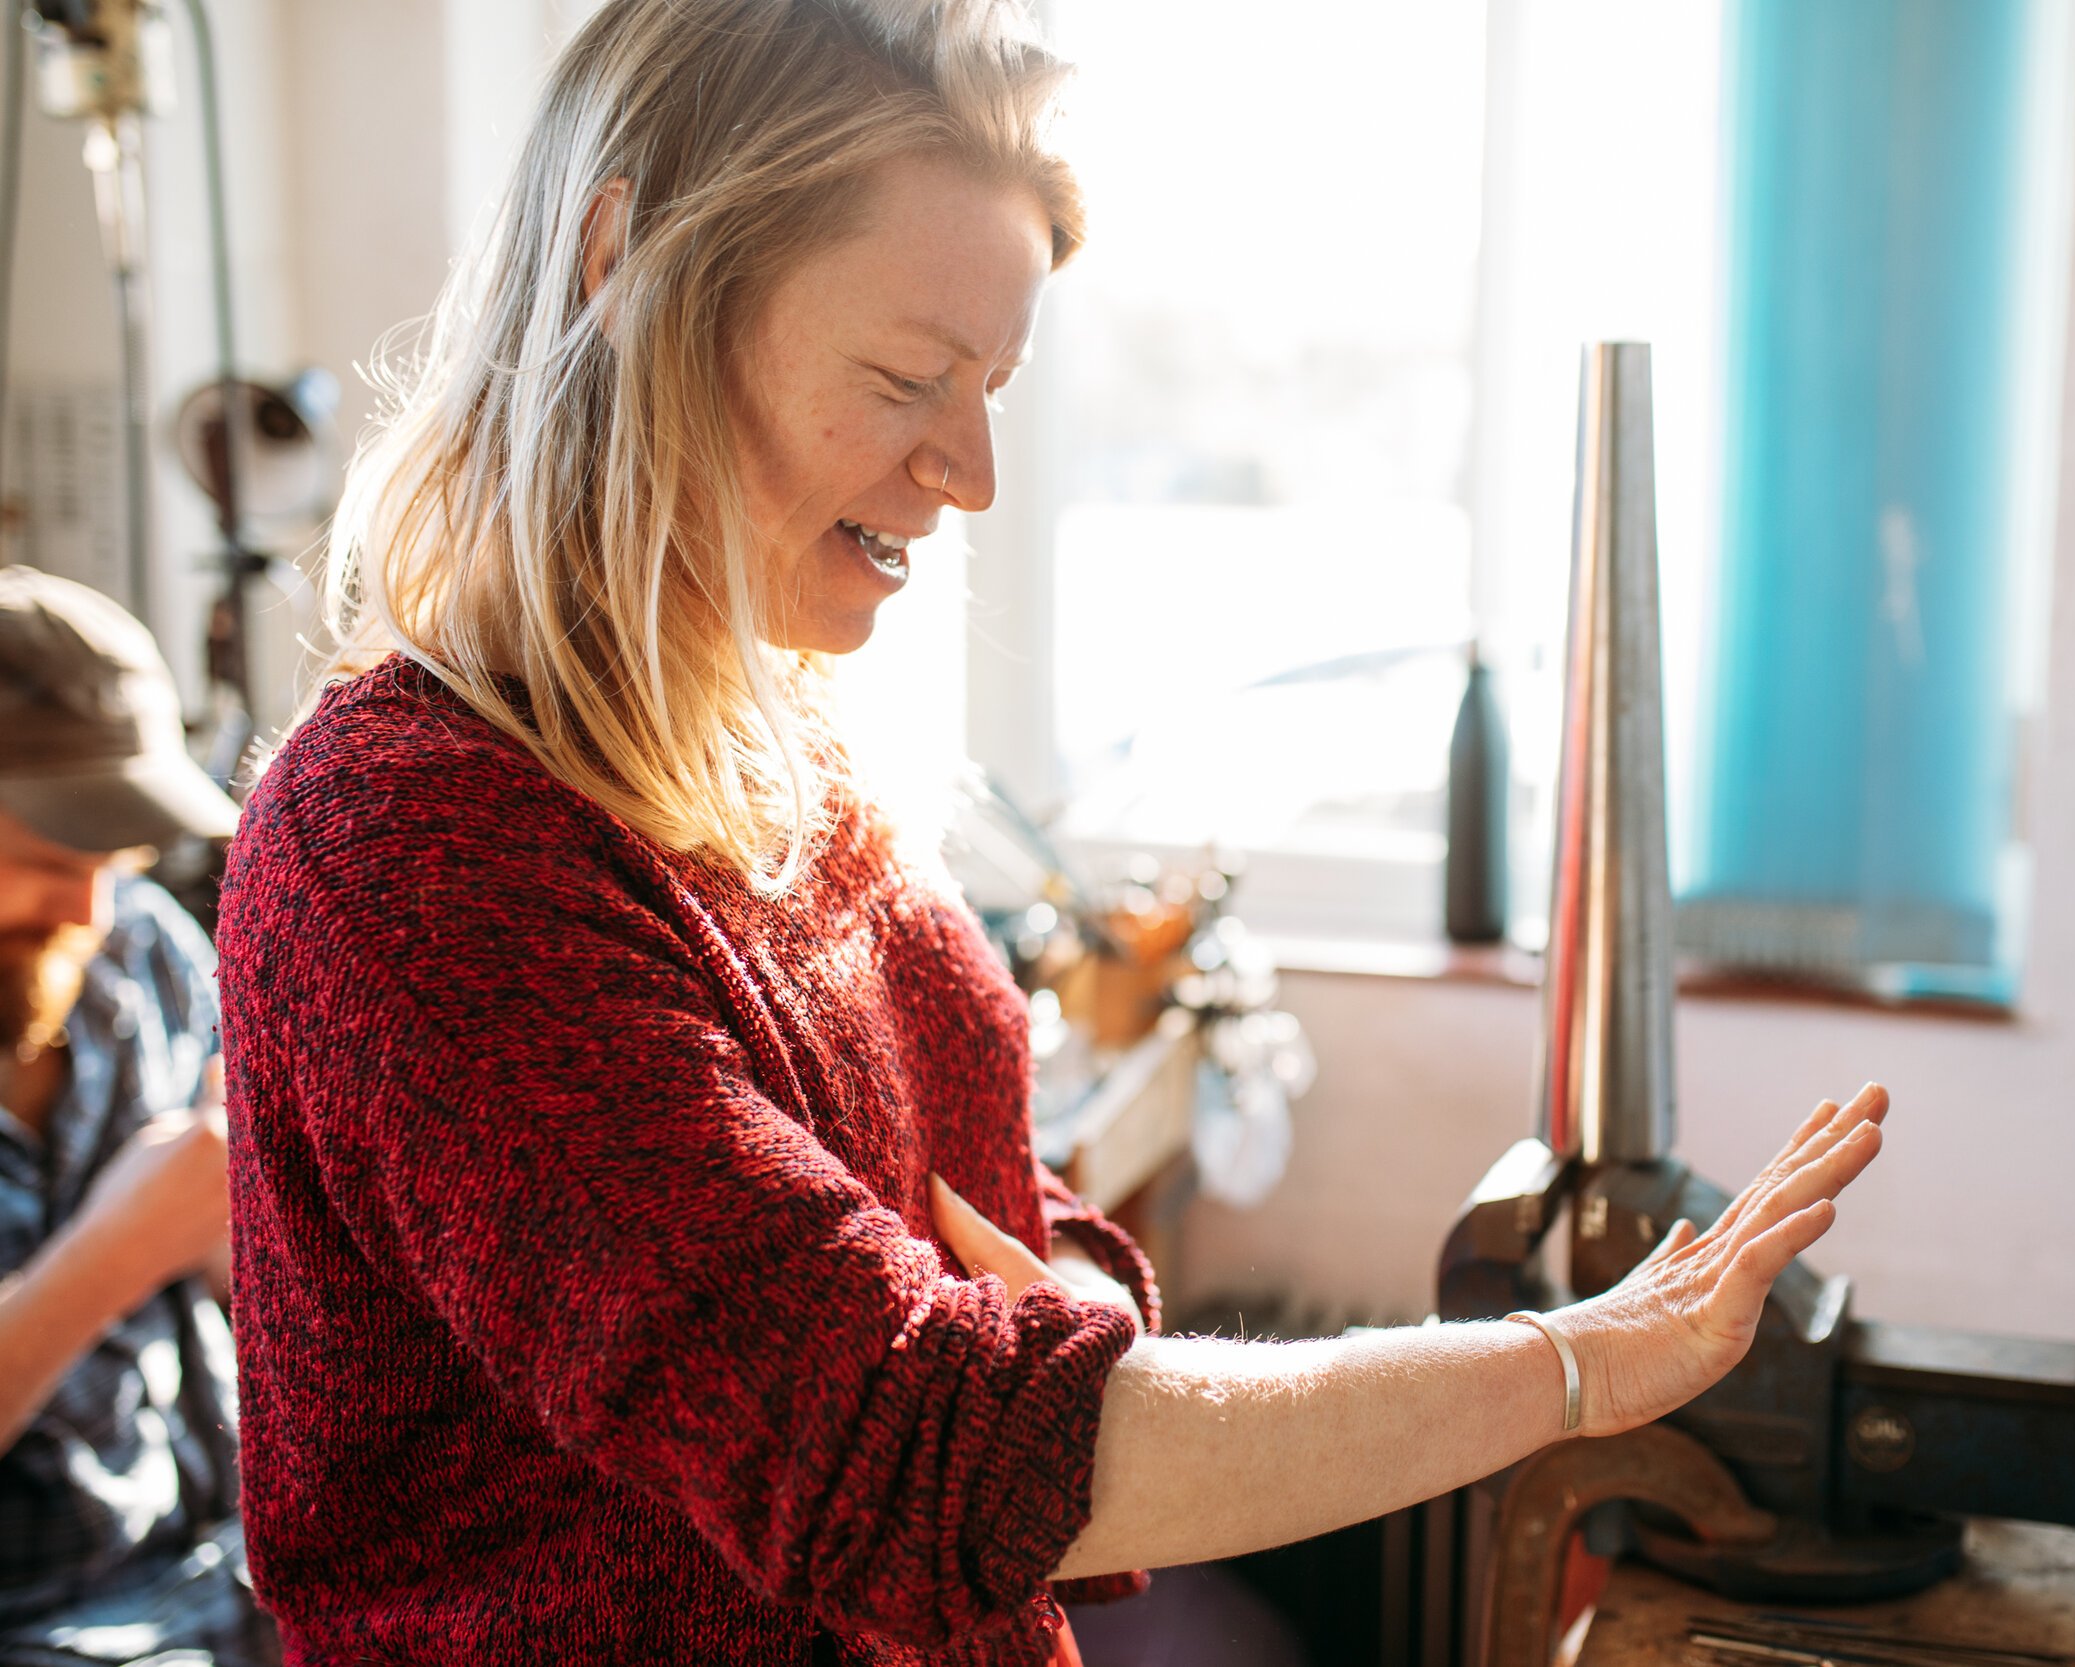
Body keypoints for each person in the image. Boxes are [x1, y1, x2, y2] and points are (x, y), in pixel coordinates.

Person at [215, 3, 1889, 1664]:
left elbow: (978, 1204)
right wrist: (1567, 1368)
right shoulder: (404, 847)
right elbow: (894, 1443)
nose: (973, 469)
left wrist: (1084, 1294)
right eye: (911, 377)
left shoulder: (787, 762)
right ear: (626, 267)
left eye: (998, 382)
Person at [0, 568, 276, 1666]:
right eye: (40, 862)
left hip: (225, 1563)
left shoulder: (142, 946)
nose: (88, 906)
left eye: (113, 859)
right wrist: (120, 1248)